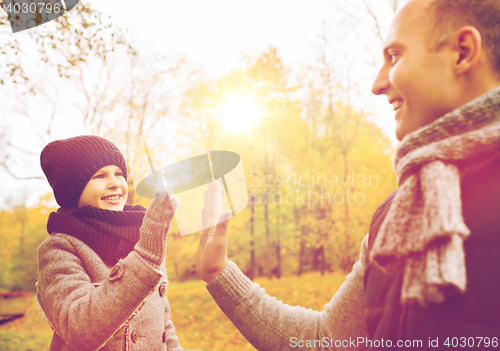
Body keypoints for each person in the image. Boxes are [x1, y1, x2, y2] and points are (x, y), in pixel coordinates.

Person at [197, 0, 500, 349]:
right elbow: (327, 339)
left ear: (462, 52)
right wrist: (219, 273)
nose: (377, 83)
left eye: (395, 56)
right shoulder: (396, 215)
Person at [37, 135, 183, 351]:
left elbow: (162, 322)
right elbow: (78, 328)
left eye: (119, 174)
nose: (115, 183)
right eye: (99, 176)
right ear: (72, 190)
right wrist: (144, 259)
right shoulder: (61, 247)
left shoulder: (142, 235)